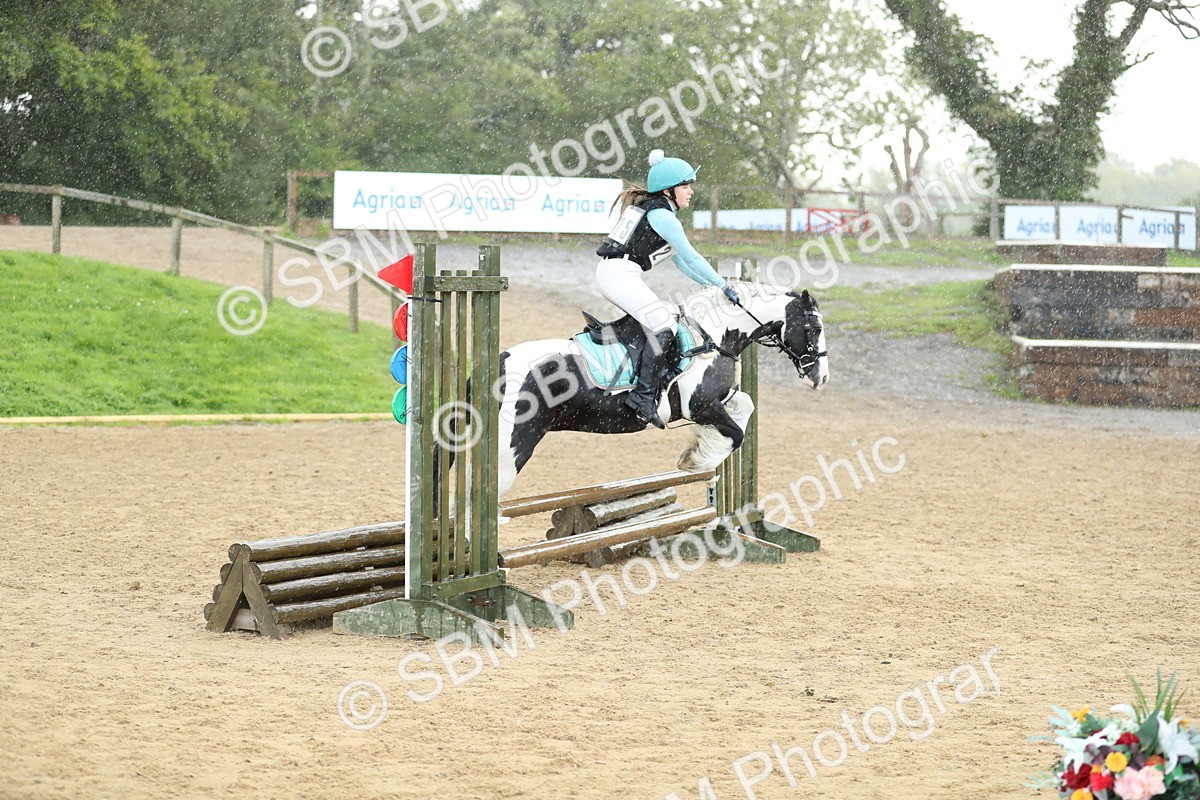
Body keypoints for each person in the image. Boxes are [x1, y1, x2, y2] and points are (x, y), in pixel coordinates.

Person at [595, 148, 741, 429]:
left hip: (618, 273)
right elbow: (692, 257)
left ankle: (643, 384)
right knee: (663, 325)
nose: (691, 191)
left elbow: (684, 265)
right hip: (619, 275)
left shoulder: (657, 212)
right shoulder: (662, 216)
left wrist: (712, 288)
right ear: (668, 190)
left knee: (665, 319)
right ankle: (643, 398)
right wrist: (723, 285)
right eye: (685, 185)